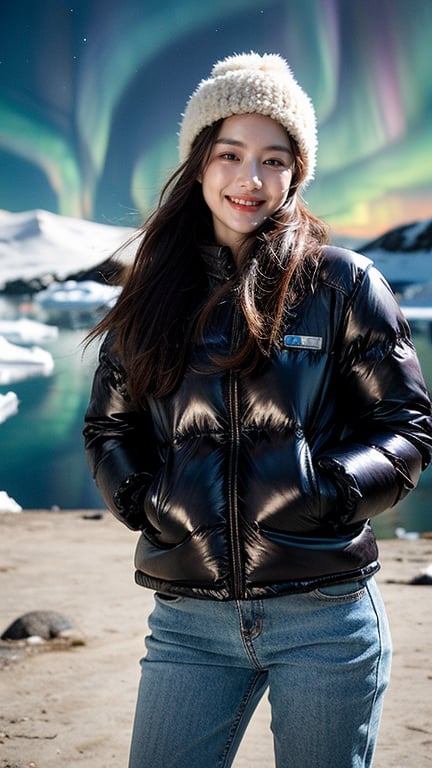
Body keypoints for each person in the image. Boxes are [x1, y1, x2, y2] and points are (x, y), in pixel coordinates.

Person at [83, 52, 432, 768]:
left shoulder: (341, 282)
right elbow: (110, 426)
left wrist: (329, 491)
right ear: (198, 163)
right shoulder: (151, 293)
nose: (251, 179)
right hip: (188, 622)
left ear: (296, 172)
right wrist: (144, 499)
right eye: (230, 154)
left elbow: (406, 426)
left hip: (325, 616)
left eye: (274, 159)